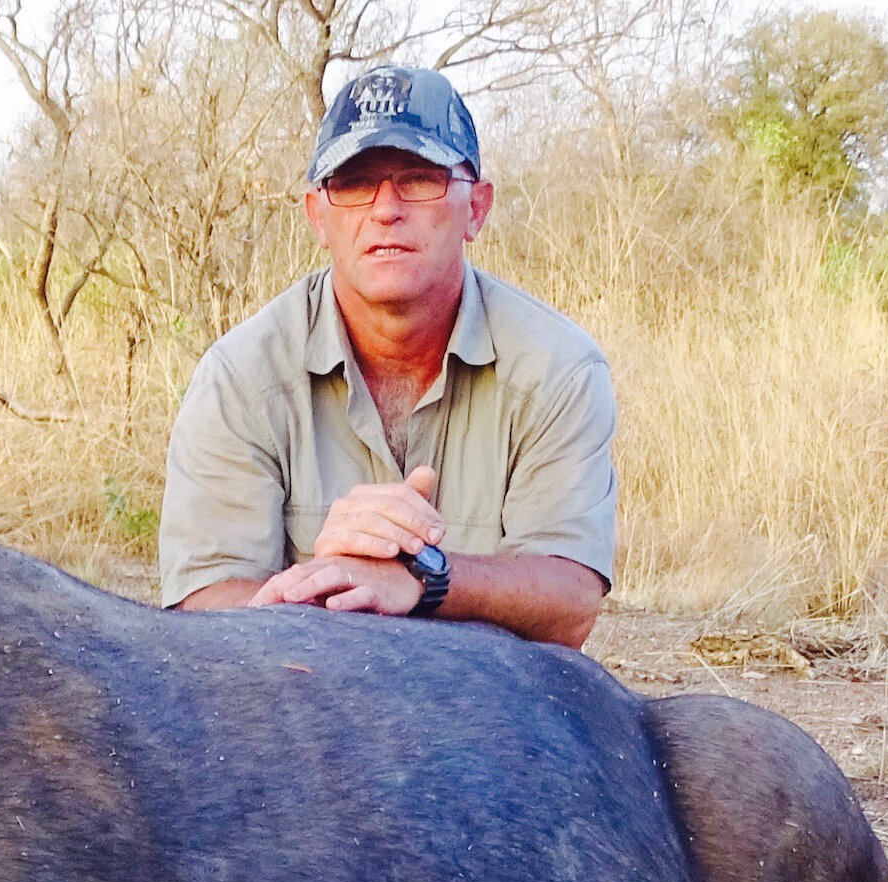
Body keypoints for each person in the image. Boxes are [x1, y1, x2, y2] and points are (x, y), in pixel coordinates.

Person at [159, 65, 616, 648]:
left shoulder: (560, 367)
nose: (385, 209)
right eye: (353, 185)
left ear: (477, 207)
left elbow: (571, 602)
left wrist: (424, 578)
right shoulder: (238, 378)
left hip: (488, 708)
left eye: (418, 178)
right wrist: (321, 588)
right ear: (317, 214)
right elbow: (201, 611)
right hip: (301, 700)